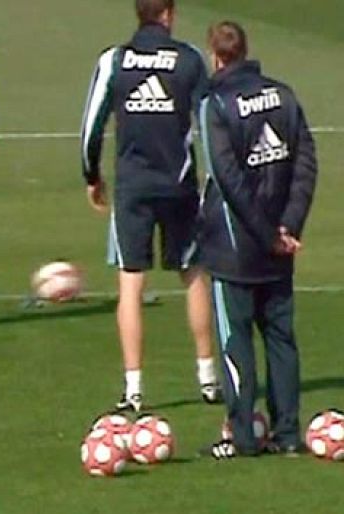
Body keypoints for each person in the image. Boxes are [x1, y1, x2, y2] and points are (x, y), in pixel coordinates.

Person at [79, 0, 221, 412]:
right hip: (179, 184)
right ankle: (208, 376)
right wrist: (213, 179)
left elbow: (92, 125)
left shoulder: (115, 60)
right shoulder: (190, 59)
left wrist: (91, 175)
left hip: (133, 187)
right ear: (168, 14)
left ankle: (135, 387)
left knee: (130, 282)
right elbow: (210, 121)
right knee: (193, 273)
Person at [197, 21, 317, 459]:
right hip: (280, 248)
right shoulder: (284, 95)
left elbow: (227, 178)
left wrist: (268, 234)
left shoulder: (216, 104)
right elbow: (306, 160)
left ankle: (244, 437)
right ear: (245, 52)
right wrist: (290, 226)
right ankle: (287, 434)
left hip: (235, 249)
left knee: (237, 340)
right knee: (281, 339)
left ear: (216, 55)